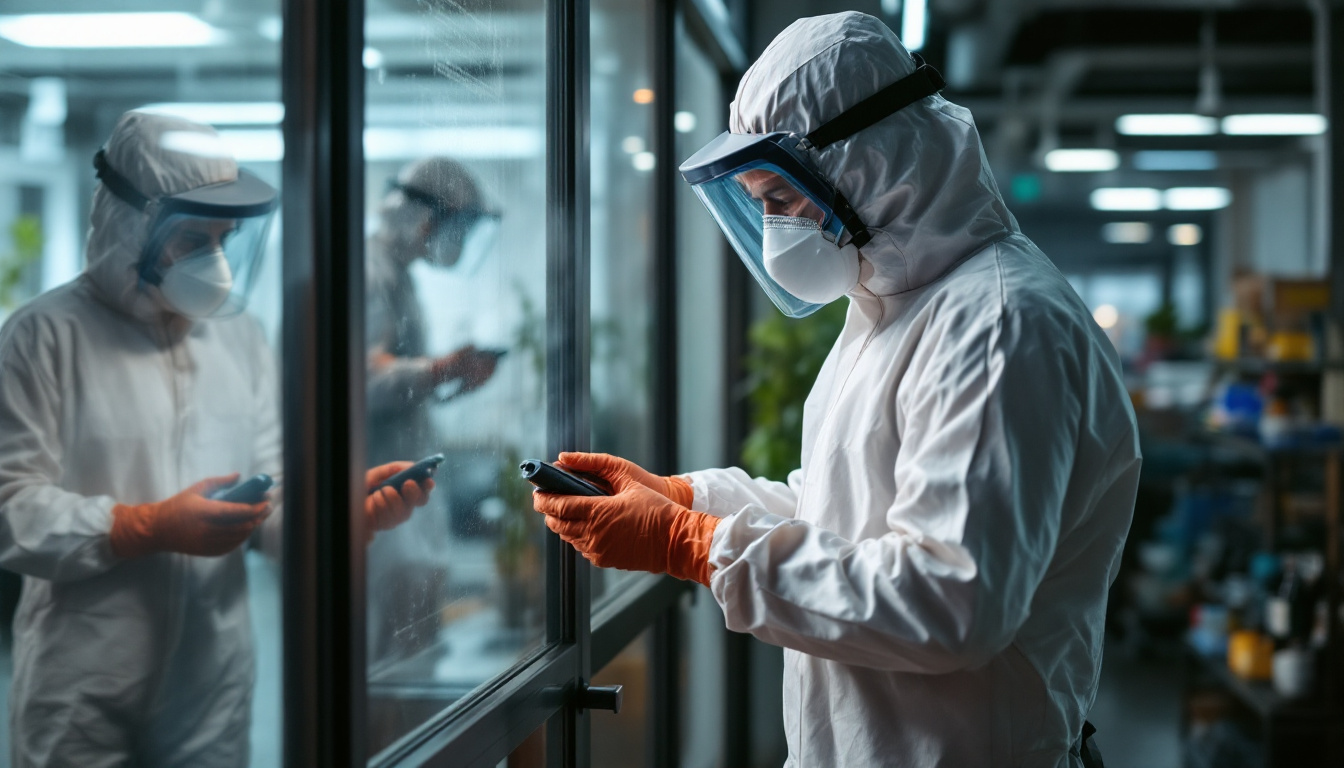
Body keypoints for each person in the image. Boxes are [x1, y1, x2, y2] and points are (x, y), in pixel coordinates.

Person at [534, 12, 1139, 767]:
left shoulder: (998, 325)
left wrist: (696, 546)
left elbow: (948, 601)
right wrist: (686, 501)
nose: (770, 232)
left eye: (779, 201)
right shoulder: (892, 310)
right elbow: (845, 515)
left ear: (869, 164)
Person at [0, 110, 433, 768]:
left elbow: (269, 498)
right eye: (190, 240)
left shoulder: (239, 338)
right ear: (128, 225)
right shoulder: (44, 335)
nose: (214, 262)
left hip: (210, 683)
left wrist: (336, 518)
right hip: (81, 688)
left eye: (224, 239)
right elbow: (9, 507)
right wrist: (144, 526)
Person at [365, 157, 501, 663]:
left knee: (410, 654)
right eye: (457, 225)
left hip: (403, 491)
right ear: (423, 217)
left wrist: (451, 378)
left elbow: (400, 385)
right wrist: (445, 369)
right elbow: (363, 380)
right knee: (384, 664)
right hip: (377, 499)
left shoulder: (400, 277)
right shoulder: (368, 271)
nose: (457, 240)